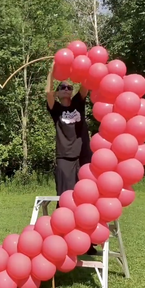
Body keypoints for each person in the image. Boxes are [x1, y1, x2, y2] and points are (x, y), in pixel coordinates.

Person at [45, 62, 97, 255]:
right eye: (63, 87)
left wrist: (83, 67)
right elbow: (48, 92)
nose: (67, 89)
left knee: (87, 199)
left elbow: (86, 85)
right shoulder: (56, 109)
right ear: (59, 93)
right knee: (65, 199)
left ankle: (87, 242)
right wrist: (52, 71)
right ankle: (62, 242)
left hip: (84, 156)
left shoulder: (77, 103)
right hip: (65, 158)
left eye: (69, 87)